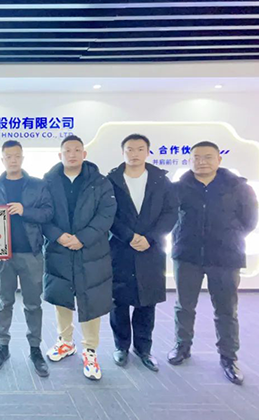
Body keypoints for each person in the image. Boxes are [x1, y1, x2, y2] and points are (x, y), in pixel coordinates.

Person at [168, 141, 258, 385]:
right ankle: (182, 346)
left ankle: (228, 356)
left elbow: (249, 221)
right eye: (196, 157)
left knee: (226, 309)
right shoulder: (179, 188)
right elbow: (170, 218)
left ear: (219, 159)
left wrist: (227, 237)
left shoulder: (238, 187)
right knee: (184, 306)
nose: (201, 162)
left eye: (208, 157)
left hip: (226, 257)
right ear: (190, 160)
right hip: (187, 255)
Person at [43, 135, 116, 381]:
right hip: (59, 248)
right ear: (60, 155)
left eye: (77, 150)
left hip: (91, 249)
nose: (72, 154)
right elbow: (43, 214)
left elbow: (106, 215)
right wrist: (58, 236)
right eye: (67, 150)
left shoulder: (100, 182)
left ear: (84, 154)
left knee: (91, 298)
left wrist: (82, 238)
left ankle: (90, 350)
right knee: (61, 296)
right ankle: (65, 341)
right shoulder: (48, 181)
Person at [107, 134, 178, 372]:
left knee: (146, 302)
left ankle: (143, 349)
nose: (134, 154)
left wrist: (150, 237)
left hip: (151, 249)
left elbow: (170, 213)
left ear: (148, 152)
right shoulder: (111, 180)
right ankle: (121, 346)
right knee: (118, 301)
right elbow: (107, 214)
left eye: (140, 149)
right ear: (123, 152)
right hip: (120, 247)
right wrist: (129, 237)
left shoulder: (161, 180)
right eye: (130, 149)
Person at [0, 140, 54, 378]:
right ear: (2, 159)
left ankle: (35, 349)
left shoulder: (37, 185)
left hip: (31, 253)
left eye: (17, 156)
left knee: (33, 304)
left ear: (22, 158)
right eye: (8, 156)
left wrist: (25, 211)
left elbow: (48, 213)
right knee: (4, 302)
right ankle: (2, 347)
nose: (13, 160)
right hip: (3, 255)